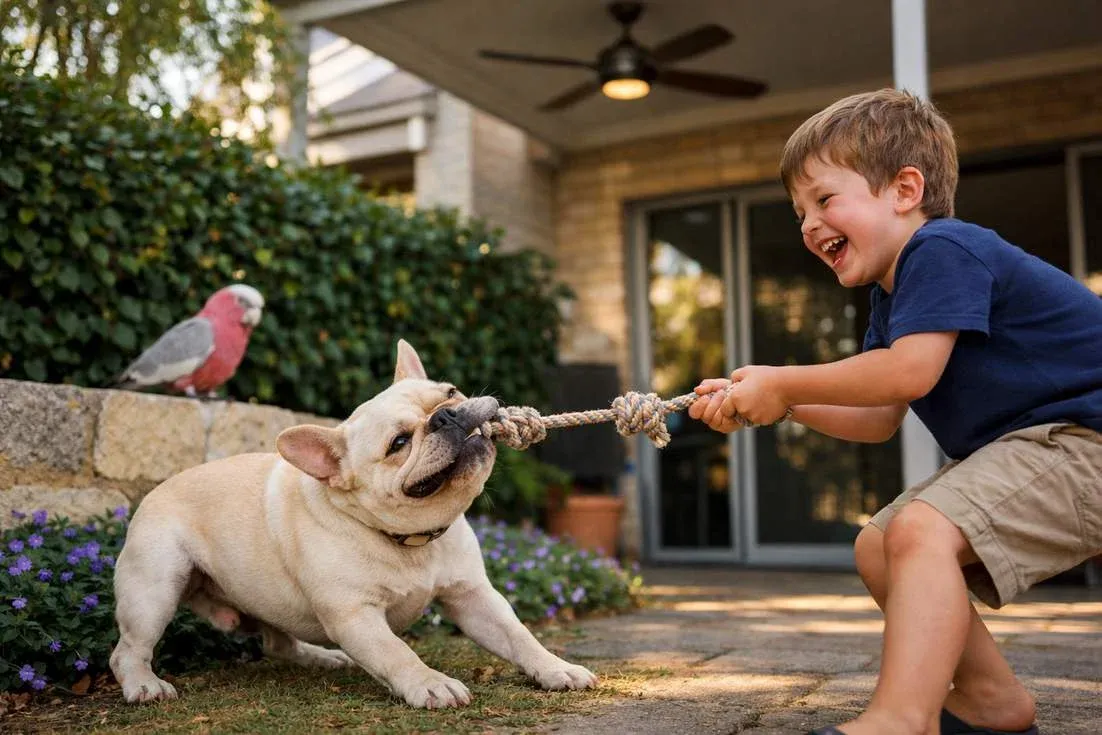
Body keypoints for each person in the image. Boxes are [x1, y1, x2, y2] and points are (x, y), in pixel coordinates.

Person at [689, 88, 1102, 735]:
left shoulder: (942, 250)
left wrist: (783, 379)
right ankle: (993, 702)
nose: (807, 224)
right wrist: (783, 404)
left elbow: (910, 372)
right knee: (880, 542)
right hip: (1045, 446)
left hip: (1086, 442)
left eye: (824, 199)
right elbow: (880, 414)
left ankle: (900, 720)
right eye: (799, 211)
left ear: (905, 190)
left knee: (920, 530)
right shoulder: (893, 298)